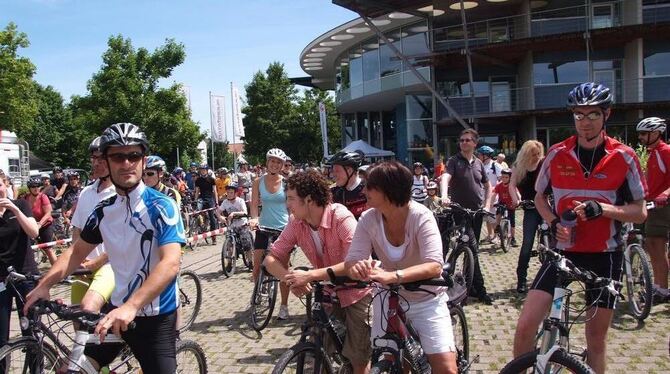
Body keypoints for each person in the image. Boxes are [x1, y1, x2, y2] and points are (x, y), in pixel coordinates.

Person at [24, 122, 185, 373]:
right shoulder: (103, 211)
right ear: (107, 162)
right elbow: (76, 252)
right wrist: (44, 285)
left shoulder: (162, 206)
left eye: (134, 155)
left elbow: (171, 263)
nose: (127, 163)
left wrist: (132, 306)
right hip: (115, 312)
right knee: (74, 369)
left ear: (143, 160)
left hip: (156, 316)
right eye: (118, 156)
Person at [512, 82, 647, 374]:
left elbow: (640, 212)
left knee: (595, 341)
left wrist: (605, 209)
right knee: (525, 326)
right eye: (579, 115)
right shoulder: (558, 153)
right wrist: (554, 221)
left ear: (606, 115)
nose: (585, 122)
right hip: (563, 253)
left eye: (593, 115)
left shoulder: (624, 157)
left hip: (604, 256)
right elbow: (538, 196)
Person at [345, 161, 457, 374]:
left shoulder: (421, 216)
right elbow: (353, 259)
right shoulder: (369, 219)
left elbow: (434, 266)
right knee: (398, 362)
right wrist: (357, 268)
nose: (364, 190)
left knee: (445, 368)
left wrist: (393, 275)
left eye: (370, 186)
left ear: (389, 190)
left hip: (425, 299)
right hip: (387, 299)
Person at [264, 170, 372, 374]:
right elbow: (271, 258)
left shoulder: (340, 216)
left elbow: (355, 261)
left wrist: (311, 275)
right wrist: (291, 279)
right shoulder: (296, 223)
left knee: (358, 358)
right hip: (328, 292)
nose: (287, 204)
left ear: (309, 200)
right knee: (315, 353)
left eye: (291, 199)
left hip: (357, 291)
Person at [440, 128, 494, 304]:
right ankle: (479, 289)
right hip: (460, 211)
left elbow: (488, 186)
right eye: (462, 140)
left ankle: (467, 287)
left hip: (477, 213)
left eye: (467, 140)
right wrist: (444, 196)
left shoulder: (478, 163)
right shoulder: (454, 161)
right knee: (471, 247)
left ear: (475, 143)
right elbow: (445, 178)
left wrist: (487, 205)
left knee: (471, 250)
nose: (464, 143)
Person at [68, 135, 115, 326]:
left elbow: (123, 239)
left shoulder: (120, 193)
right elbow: (77, 230)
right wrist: (78, 260)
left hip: (109, 265)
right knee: (75, 317)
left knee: (88, 307)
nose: (95, 163)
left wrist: (96, 262)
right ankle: (83, 355)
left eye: (100, 159)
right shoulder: (86, 192)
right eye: (93, 158)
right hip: (85, 265)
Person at [0, 176, 39, 373]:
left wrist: (14, 209)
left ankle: (36, 369)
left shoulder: (21, 204)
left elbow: (34, 232)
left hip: (26, 276)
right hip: (1, 280)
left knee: (30, 330)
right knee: (1, 336)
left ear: (6, 185)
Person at [250, 148, 291, 320]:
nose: (275, 164)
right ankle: (258, 288)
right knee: (257, 263)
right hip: (264, 226)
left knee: (284, 268)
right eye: (272, 161)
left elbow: (292, 205)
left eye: (278, 162)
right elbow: (253, 204)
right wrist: (254, 219)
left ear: (282, 165)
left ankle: (284, 306)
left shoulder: (288, 182)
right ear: (267, 162)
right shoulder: (258, 181)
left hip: (283, 228)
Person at [636, 116, 670, 302]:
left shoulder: (666, 151)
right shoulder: (653, 152)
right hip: (652, 204)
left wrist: (665, 194)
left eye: (643, 133)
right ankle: (658, 285)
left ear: (656, 133)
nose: (640, 137)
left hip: (662, 206)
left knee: (657, 245)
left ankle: (662, 290)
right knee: (652, 246)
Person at [509, 140, 545, 293]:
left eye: (538, 154)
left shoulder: (544, 163)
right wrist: (516, 200)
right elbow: (512, 185)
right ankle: (522, 279)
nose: (536, 157)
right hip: (530, 208)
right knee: (527, 244)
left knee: (550, 244)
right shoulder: (519, 167)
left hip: (546, 207)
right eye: (533, 155)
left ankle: (549, 278)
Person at [23, 177, 57, 264]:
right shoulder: (25, 198)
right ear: (29, 188)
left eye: (38, 186)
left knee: (48, 248)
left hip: (45, 225)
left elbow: (48, 213)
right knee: (27, 248)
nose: (36, 188)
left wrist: (40, 224)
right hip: (32, 225)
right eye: (33, 186)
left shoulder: (43, 196)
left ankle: (58, 271)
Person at [329, 151, 367, 220]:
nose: (333, 175)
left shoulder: (368, 190)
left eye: (337, 171)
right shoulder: (333, 193)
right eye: (332, 171)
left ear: (349, 170)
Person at [478, 145, 502, 244]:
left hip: (493, 195)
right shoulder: (480, 165)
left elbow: (502, 179)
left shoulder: (495, 166)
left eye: (480, 154)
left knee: (493, 216)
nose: (478, 156)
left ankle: (496, 236)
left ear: (486, 155)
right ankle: (489, 235)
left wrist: (495, 189)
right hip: (482, 194)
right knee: (487, 216)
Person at [491, 169, 518, 247]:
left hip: (511, 204)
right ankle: (497, 229)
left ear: (510, 178)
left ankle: (513, 238)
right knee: (498, 214)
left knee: (512, 223)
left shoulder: (512, 186)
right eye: (502, 177)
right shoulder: (499, 185)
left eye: (506, 177)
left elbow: (517, 194)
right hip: (502, 203)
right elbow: (494, 194)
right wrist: (491, 203)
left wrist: (518, 201)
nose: (504, 179)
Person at [194, 163, 218, 242]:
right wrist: (195, 200)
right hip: (202, 199)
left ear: (207, 171)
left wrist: (216, 202)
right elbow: (197, 191)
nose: (202, 171)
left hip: (210, 199)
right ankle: (201, 226)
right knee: (197, 213)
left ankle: (213, 237)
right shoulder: (198, 180)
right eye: (201, 170)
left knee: (212, 218)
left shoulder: (211, 179)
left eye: (204, 170)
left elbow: (215, 191)